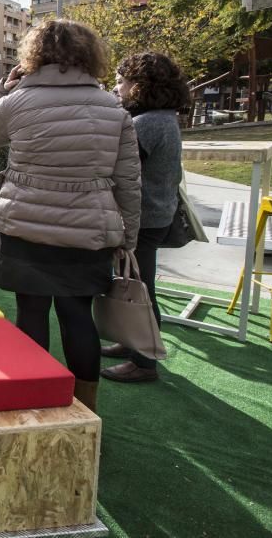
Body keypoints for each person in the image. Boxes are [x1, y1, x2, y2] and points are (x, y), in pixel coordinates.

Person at [0, 19, 141, 413]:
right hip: (86, 232)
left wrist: (3, 87)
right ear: (89, 55)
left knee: (30, 313)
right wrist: (127, 238)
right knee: (77, 317)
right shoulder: (113, 109)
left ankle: (35, 404)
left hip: (25, 227)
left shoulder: (17, 101)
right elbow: (129, 183)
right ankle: (87, 408)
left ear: (35, 54)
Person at [101, 52, 188, 384]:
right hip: (157, 213)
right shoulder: (163, 117)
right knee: (132, 283)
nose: (117, 87)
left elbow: (118, 167)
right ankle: (130, 342)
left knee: (140, 289)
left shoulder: (146, 123)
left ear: (140, 87)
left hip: (145, 218)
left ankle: (144, 361)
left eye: (122, 81)